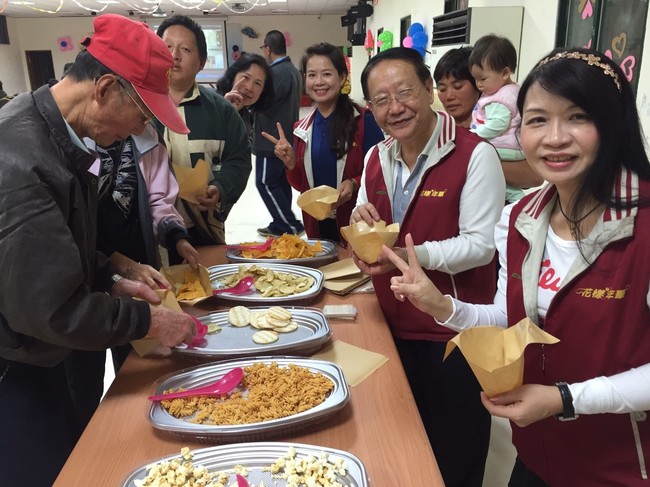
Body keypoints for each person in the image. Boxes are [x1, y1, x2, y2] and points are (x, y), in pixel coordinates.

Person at [384, 48, 650, 487]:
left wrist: (564, 399)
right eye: (538, 119)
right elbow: (512, 322)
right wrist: (443, 306)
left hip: (621, 466)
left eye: (578, 117)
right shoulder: (520, 218)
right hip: (539, 453)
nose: (554, 138)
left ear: (612, 124)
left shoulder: (642, 226)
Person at [0, 14, 196, 487]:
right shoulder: (21, 161)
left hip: (35, 352)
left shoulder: (58, 135)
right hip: (14, 367)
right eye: (142, 115)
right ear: (105, 89)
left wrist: (109, 275)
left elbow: (59, 247)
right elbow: (52, 309)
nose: (137, 130)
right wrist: (148, 321)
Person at [352, 47, 505, 486]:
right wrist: (360, 225)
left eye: (405, 92)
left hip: (451, 332)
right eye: (381, 100)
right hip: (390, 324)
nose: (395, 108)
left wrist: (409, 256)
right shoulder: (376, 157)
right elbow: (367, 220)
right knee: (400, 447)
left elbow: (481, 246)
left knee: (454, 454)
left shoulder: (475, 154)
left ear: (428, 89)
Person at [261, 42, 384, 242]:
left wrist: (354, 182)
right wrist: (291, 164)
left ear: (342, 77)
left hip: (357, 224)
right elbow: (303, 187)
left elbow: (382, 172)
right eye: (312, 75)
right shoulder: (302, 129)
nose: (319, 82)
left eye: (326, 74)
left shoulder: (363, 121)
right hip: (317, 227)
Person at [156, 15, 252, 252]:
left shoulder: (221, 110)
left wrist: (220, 188)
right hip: (148, 230)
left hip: (203, 226)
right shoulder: (138, 106)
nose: (174, 56)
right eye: (167, 47)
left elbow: (238, 160)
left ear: (201, 62)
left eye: (185, 49)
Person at [435, 46, 543, 199]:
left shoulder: (504, 127)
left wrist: (470, 164)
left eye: (458, 86)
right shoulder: (439, 131)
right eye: (442, 89)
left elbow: (534, 177)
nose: (449, 96)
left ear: (479, 85)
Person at [253, 29, 305, 237]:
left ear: (267, 49)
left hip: (271, 139)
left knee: (265, 182)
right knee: (280, 181)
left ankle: (290, 225)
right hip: (285, 136)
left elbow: (262, 102)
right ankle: (279, 222)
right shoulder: (292, 70)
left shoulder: (275, 73)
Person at [469, 34, 528, 203]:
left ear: (505, 73)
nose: (478, 84)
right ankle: (517, 200)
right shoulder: (507, 90)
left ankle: (518, 201)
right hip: (507, 145)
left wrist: (473, 135)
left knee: (479, 161)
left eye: (483, 79)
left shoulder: (500, 98)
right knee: (496, 177)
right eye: (475, 79)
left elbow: (498, 124)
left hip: (505, 146)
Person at [216, 52, 274, 140]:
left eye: (257, 83)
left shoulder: (246, 115)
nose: (249, 88)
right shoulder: (210, 103)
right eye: (246, 78)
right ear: (233, 75)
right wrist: (226, 112)